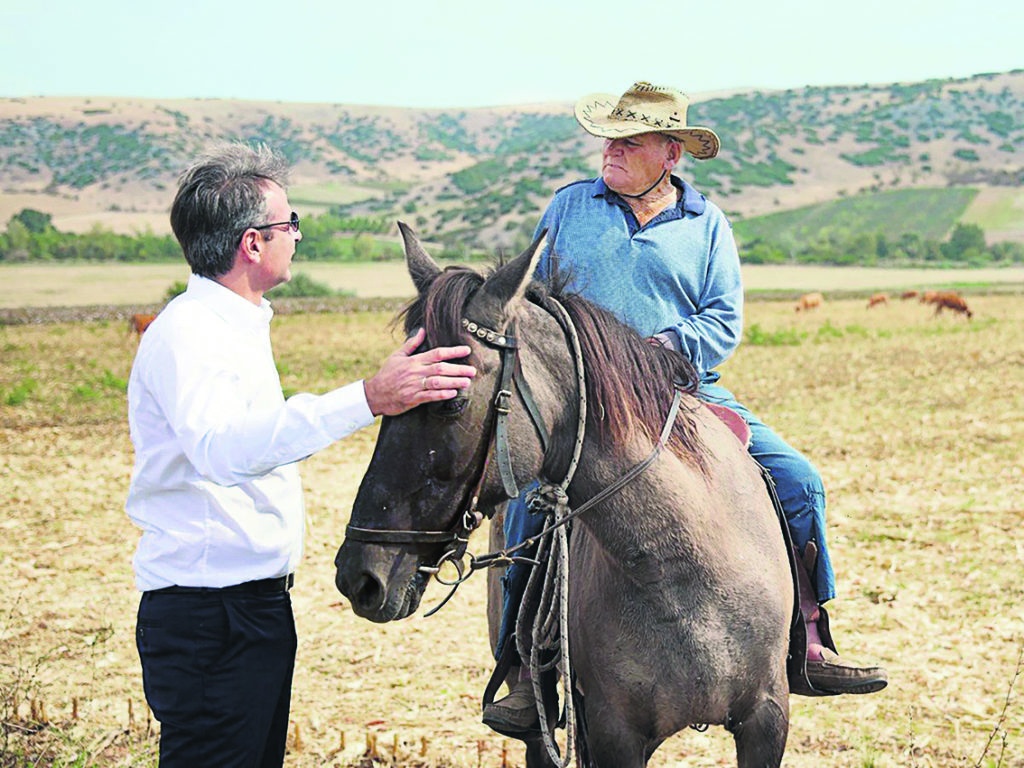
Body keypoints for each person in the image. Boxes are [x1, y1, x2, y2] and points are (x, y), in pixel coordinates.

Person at [482, 82, 888, 736]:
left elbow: (724, 319)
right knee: (530, 501)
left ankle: (808, 641)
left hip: (683, 393)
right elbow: (532, 300)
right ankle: (529, 670)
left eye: (629, 141)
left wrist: (659, 349)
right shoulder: (569, 208)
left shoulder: (707, 224)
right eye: (609, 138)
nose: (611, 150)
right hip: (586, 402)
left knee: (800, 481)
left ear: (670, 154)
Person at [126, 143, 476, 767]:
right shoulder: (190, 335)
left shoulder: (237, 324)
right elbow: (220, 449)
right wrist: (369, 397)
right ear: (252, 244)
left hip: (247, 606)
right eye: (290, 224)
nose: (298, 235)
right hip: (212, 616)